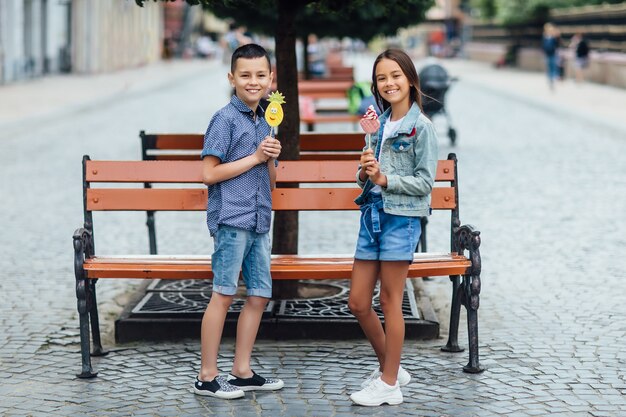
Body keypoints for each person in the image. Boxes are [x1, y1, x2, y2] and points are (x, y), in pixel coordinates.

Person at [348, 49, 438, 407]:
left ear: (410, 79)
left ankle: (388, 384)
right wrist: (364, 170)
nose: (389, 83)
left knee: (389, 300)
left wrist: (385, 178)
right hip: (371, 217)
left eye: (396, 75)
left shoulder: (422, 128)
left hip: (401, 220)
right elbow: (364, 181)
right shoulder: (379, 125)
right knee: (357, 301)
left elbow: (424, 183)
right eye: (382, 78)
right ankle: (393, 367)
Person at [194, 43, 284, 399]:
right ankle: (206, 375)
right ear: (231, 78)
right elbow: (208, 174)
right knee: (223, 294)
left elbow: (271, 180)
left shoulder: (265, 119)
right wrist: (255, 156)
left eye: (260, 75)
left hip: (260, 219)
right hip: (232, 219)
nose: (253, 82)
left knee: (260, 295)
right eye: (245, 75)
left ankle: (242, 371)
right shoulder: (224, 119)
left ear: (270, 79)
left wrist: (271, 158)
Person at [542, 23, 561, 89]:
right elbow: (543, 46)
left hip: (553, 54)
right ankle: (550, 78)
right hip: (547, 54)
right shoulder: (545, 36)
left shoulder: (553, 37)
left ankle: (552, 78)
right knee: (549, 67)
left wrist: (557, 36)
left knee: (553, 66)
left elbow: (557, 44)